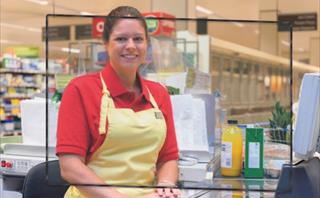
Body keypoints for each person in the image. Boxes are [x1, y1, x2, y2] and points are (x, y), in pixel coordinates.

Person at [56, 6, 180, 198]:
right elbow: (70, 167)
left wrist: (166, 183)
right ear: (106, 43)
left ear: (147, 44)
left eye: (138, 39)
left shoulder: (159, 93)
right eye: (121, 39)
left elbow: (168, 157)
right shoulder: (81, 89)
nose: (131, 46)